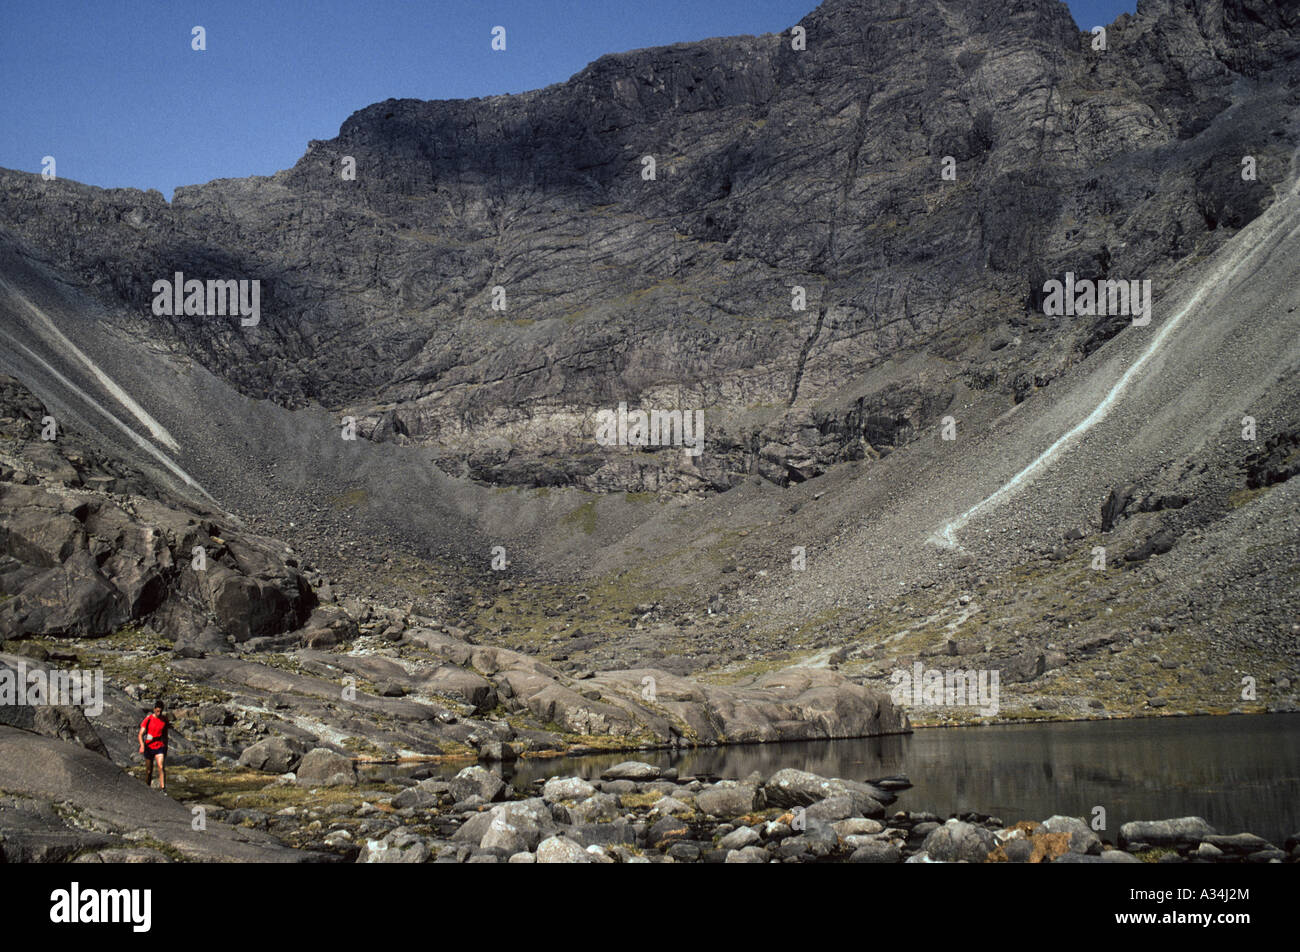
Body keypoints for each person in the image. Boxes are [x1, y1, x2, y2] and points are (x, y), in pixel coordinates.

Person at [138, 700, 169, 791]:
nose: (159, 713)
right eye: (157, 711)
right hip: (149, 746)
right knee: (149, 771)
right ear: (154, 709)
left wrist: (165, 746)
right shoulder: (148, 719)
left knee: (161, 766)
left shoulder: (164, 720)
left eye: (160, 711)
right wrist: (142, 745)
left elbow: (165, 735)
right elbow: (140, 734)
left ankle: (163, 789)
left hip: (159, 746)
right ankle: (147, 788)